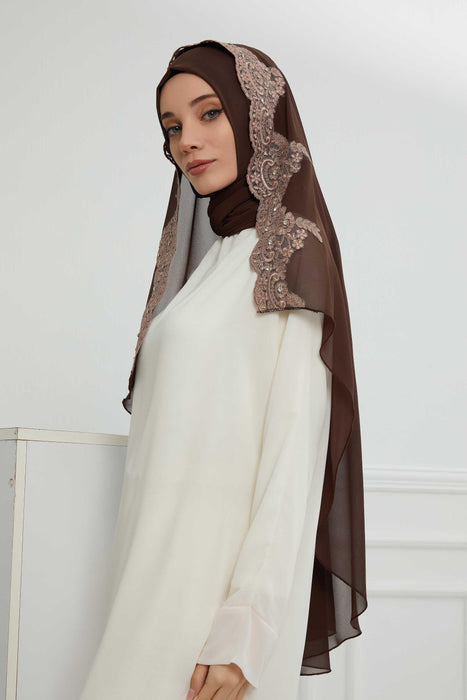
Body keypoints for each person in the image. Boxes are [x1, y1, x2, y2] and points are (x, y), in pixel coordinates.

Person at [78, 40, 367, 700]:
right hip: (149, 584)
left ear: (255, 116)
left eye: (209, 113)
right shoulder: (218, 260)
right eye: (172, 127)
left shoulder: (288, 256)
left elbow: (293, 461)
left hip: (211, 621)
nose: (186, 141)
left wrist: (245, 633)